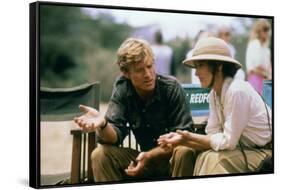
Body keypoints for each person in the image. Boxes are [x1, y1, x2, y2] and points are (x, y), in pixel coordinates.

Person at [74, 38, 195, 182]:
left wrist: (149, 155)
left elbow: (184, 140)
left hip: (171, 161)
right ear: (125, 72)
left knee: (184, 151)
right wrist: (103, 124)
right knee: (100, 154)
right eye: (140, 70)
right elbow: (114, 137)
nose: (148, 75)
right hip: (142, 160)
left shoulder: (171, 88)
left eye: (150, 66)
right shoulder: (123, 88)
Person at [158, 37, 272, 175]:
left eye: (200, 65)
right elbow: (213, 134)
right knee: (190, 153)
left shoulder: (237, 90)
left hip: (266, 154)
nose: (196, 73)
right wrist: (183, 140)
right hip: (244, 150)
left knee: (213, 160)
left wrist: (189, 137)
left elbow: (227, 142)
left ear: (218, 66)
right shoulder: (214, 95)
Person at [246, 19, 272, 94]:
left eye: (268, 29)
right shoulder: (255, 44)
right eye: (265, 29)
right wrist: (267, 74)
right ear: (259, 31)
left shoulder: (266, 48)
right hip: (255, 79)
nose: (267, 32)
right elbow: (256, 67)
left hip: (264, 81)